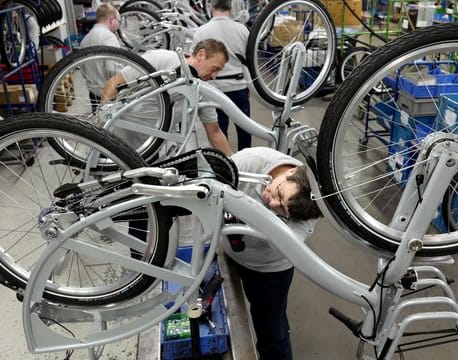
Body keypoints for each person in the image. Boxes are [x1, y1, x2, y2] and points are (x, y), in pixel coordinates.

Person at [222, 147, 322, 360]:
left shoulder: (310, 208)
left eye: (282, 210)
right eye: (279, 194)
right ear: (291, 172)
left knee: (272, 332)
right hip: (228, 250)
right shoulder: (249, 162)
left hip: (269, 270)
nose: (273, 203)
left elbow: (287, 245)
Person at [101, 39, 233, 157]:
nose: (215, 76)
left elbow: (214, 131)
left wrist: (235, 164)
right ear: (201, 55)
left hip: (149, 149)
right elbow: (114, 83)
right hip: (114, 142)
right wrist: (101, 125)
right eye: (214, 68)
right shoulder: (160, 59)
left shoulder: (202, 90)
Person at [192, 0, 251, 151]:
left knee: (218, 130)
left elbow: (195, 62)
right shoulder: (242, 30)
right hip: (239, 86)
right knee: (245, 129)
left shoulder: (202, 31)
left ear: (211, 6)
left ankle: (224, 163)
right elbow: (249, 59)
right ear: (231, 7)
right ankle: (246, 161)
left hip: (214, 88)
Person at [79, 3, 122, 111]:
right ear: (112, 20)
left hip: (93, 93)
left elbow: (82, 69)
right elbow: (112, 69)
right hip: (110, 93)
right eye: (119, 21)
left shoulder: (85, 39)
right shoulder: (108, 37)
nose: (119, 24)